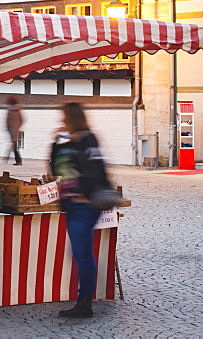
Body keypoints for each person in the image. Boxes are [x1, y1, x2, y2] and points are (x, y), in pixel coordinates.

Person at [50, 102, 112, 319]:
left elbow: (96, 170)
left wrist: (83, 194)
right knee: (79, 253)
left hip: (83, 206)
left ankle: (85, 303)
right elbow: (55, 168)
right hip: (72, 205)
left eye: (64, 117)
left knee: (82, 254)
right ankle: (83, 300)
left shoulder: (87, 140)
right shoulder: (70, 142)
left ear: (72, 118)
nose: (62, 121)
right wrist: (56, 141)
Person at [6, 95, 24, 166]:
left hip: (12, 130)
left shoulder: (10, 111)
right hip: (16, 130)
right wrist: (18, 127)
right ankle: (18, 160)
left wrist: (8, 128)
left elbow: (8, 121)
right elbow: (21, 120)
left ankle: (19, 160)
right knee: (15, 145)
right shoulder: (18, 111)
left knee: (15, 146)